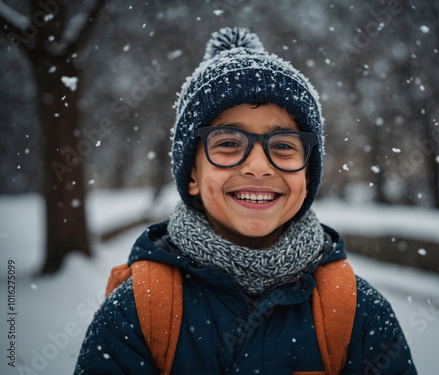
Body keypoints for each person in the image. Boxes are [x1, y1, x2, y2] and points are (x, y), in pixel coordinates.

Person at [75, 27, 417, 374]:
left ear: (308, 175)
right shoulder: (138, 312)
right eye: (228, 143)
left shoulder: (357, 313)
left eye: (283, 145)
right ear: (191, 175)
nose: (258, 167)